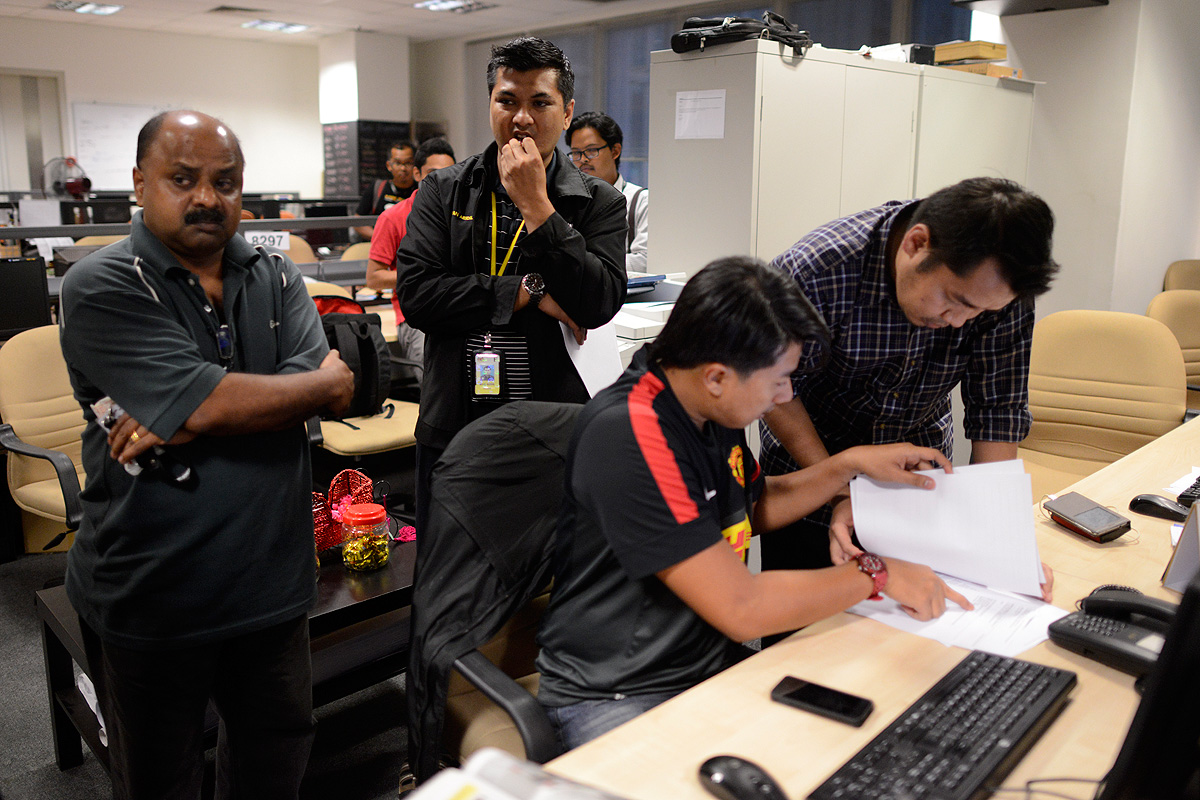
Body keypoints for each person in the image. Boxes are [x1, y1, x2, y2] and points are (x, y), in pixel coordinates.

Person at [535, 256, 975, 751]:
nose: (786, 395)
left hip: (703, 661)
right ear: (718, 376)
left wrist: (847, 467)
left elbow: (752, 507)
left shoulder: (704, 406)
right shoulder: (633, 433)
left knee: (871, 731)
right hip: (617, 690)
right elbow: (742, 607)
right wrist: (878, 574)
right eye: (780, 379)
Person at [58, 109, 355, 799]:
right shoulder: (99, 284)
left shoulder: (276, 275)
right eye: (182, 178)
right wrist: (287, 390)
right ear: (139, 184)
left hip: (273, 585)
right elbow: (237, 399)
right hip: (154, 592)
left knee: (273, 762)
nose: (206, 197)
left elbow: (295, 395)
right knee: (162, 777)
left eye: (224, 181)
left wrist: (193, 409)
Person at [760, 177, 1061, 573]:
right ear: (916, 244)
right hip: (811, 464)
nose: (960, 323)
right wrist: (837, 489)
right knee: (801, 623)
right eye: (955, 301)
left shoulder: (996, 290)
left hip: (920, 473)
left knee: (919, 619)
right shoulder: (818, 271)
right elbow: (777, 391)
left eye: (980, 314)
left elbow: (998, 409)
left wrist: (1001, 539)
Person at [394, 36, 627, 536]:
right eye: (508, 100)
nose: (522, 117)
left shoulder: (598, 202)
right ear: (490, 104)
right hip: (455, 419)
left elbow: (598, 302)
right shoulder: (443, 189)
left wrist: (539, 209)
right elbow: (417, 294)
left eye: (539, 102)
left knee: (552, 585)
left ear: (566, 114)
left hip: (553, 428)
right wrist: (527, 292)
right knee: (450, 582)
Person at [365, 137, 457, 385]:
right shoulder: (394, 217)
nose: (442, 181)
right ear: (417, 174)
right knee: (438, 385)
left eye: (449, 173)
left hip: (458, 308)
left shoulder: (461, 215)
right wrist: (423, 273)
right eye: (432, 174)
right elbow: (374, 277)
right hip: (417, 315)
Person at [565, 111, 648, 273]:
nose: (583, 159)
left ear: (615, 151)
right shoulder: (567, 201)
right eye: (576, 152)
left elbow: (645, 260)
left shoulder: (640, 200)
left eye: (591, 150)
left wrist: (587, 263)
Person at [354, 139, 417, 240]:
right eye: (397, 163)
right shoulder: (377, 188)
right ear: (389, 165)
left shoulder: (421, 191)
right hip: (382, 249)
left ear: (415, 165)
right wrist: (382, 238)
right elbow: (358, 222)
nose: (403, 168)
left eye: (408, 163)